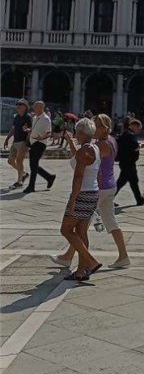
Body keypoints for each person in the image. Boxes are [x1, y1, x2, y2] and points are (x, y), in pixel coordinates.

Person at [54, 113, 131, 271]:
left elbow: (83, 163)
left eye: (97, 125)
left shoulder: (100, 145)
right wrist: (72, 142)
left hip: (98, 189)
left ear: (104, 128)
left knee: (76, 228)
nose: (94, 129)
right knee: (92, 225)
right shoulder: (107, 141)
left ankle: (86, 261)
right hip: (106, 186)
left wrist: (74, 198)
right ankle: (74, 259)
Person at [59, 117, 102, 283]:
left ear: (83, 133)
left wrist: (74, 199)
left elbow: (78, 175)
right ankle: (81, 271)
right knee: (82, 231)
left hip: (82, 193)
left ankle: (90, 261)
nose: (76, 133)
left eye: (77, 131)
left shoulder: (84, 151)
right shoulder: (94, 148)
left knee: (66, 229)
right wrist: (71, 142)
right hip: (93, 191)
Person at [22, 101, 56, 195]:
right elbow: (34, 129)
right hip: (33, 143)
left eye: (36, 107)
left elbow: (49, 132)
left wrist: (42, 137)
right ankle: (49, 177)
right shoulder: (35, 117)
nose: (34, 109)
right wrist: (27, 130)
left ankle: (31, 186)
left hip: (40, 143)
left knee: (33, 164)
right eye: (34, 107)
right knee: (33, 165)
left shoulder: (46, 119)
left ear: (41, 108)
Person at [116, 119, 144, 206]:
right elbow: (134, 147)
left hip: (128, 162)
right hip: (127, 162)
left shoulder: (126, 134)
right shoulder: (129, 135)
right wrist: (142, 145)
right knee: (121, 182)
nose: (139, 131)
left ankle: (139, 199)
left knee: (134, 181)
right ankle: (107, 199)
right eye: (138, 129)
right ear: (134, 126)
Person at [4, 98, 31, 189]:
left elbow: (30, 131)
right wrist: (7, 139)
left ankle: (19, 181)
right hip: (15, 142)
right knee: (10, 161)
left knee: (19, 161)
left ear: (25, 107)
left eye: (20, 104)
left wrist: (27, 142)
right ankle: (23, 173)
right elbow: (13, 129)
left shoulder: (28, 117)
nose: (18, 106)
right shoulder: (16, 117)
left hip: (23, 142)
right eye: (18, 104)